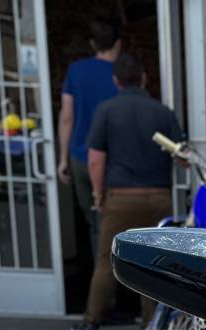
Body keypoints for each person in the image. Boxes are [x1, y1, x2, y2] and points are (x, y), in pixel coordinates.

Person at [71, 50, 183, 330]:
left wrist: (98, 194)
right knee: (153, 264)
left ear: (116, 80)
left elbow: (96, 159)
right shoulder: (162, 112)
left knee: (107, 260)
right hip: (159, 199)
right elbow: (182, 156)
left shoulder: (106, 111)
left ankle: (90, 324)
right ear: (144, 78)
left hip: (120, 199)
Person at [55, 19, 121, 268]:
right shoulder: (120, 74)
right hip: (112, 162)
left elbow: (67, 116)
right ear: (119, 43)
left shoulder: (75, 70)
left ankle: (102, 284)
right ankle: (118, 284)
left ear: (93, 43)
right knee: (116, 224)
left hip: (80, 159)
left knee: (96, 225)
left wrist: (63, 158)